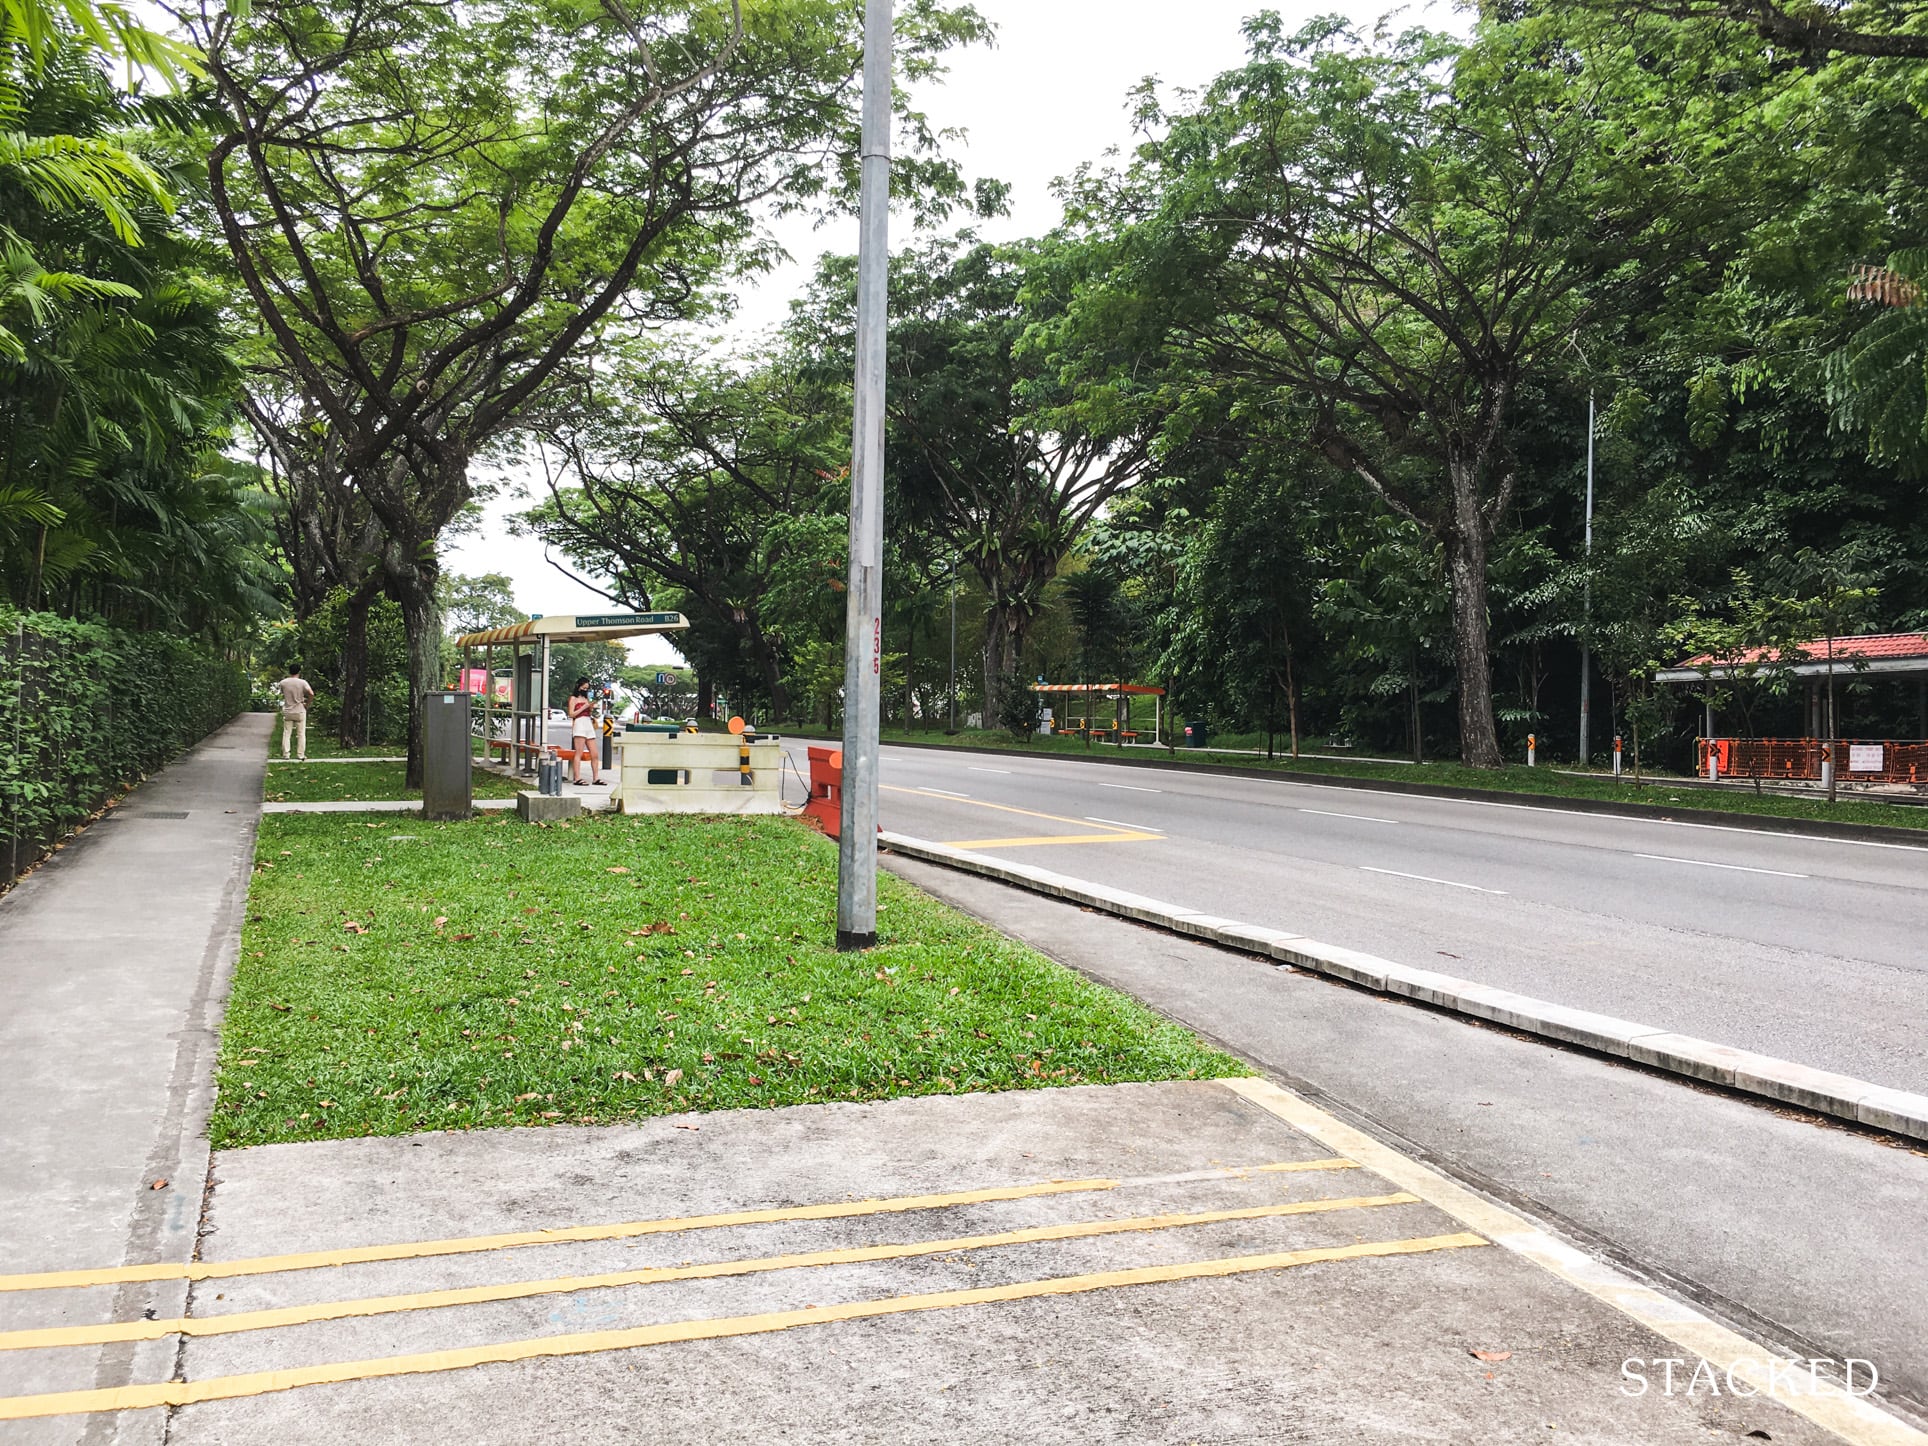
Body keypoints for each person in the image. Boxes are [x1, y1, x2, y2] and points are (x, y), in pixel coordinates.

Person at [566, 676, 603, 784]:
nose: (585, 690)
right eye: (583, 688)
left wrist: (590, 708)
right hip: (579, 723)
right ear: (579, 687)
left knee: (594, 753)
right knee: (579, 752)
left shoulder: (586, 699)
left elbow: (588, 711)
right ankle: (577, 778)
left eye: (587, 688)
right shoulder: (573, 698)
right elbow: (571, 714)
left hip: (588, 723)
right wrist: (583, 707)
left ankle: (596, 778)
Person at [276, 664, 315, 761]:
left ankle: (286, 754)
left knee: (287, 733)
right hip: (300, 710)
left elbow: (281, 693)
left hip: (288, 710)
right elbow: (311, 693)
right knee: (301, 734)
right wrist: (307, 704)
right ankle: (300, 754)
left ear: (289, 671)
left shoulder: (283, 682)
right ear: (299, 671)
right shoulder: (303, 682)